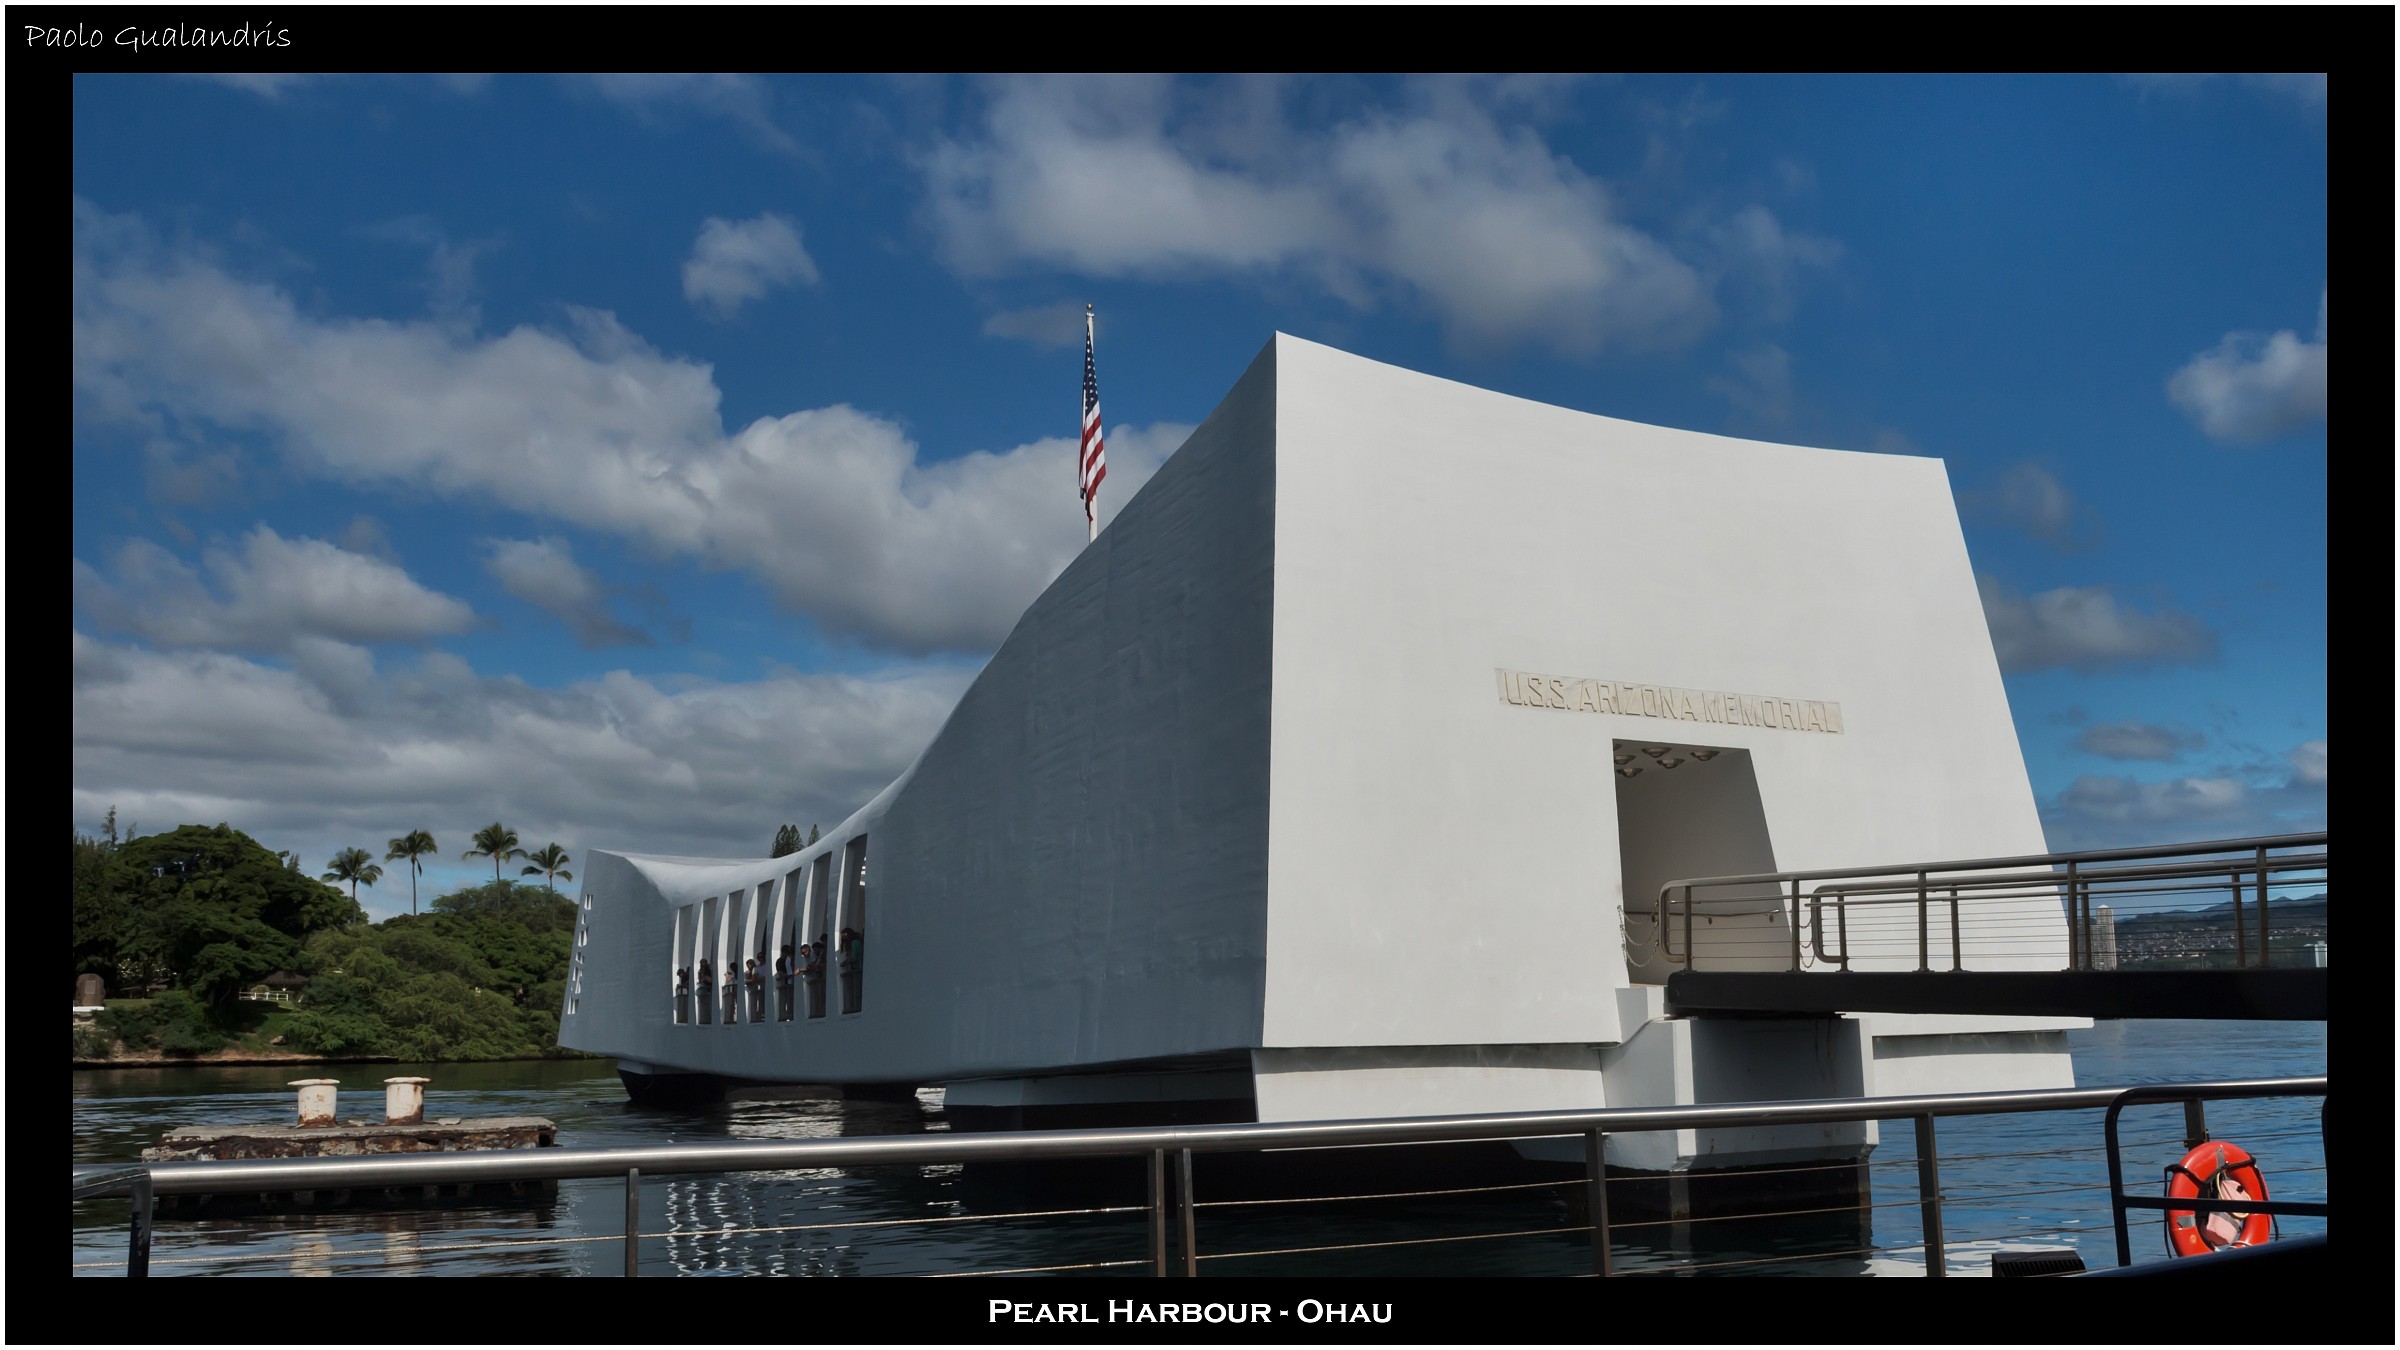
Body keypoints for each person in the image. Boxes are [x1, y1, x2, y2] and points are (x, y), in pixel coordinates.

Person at [775, 944, 796, 1021]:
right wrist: (789, 976)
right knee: (785, 1000)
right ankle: (785, 1015)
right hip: (785, 983)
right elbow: (780, 972)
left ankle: (791, 1014)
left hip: (789, 982)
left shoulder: (790, 960)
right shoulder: (780, 960)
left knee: (791, 999)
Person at [695, 958, 714, 1025]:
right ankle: (703, 1020)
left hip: (707, 990)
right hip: (702, 990)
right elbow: (700, 979)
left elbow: (711, 980)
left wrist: (705, 978)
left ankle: (707, 1020)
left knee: (707, 1007)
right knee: (702, 1007)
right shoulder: (700, 971)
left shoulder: (709, 971)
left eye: (704, 963)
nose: (702, 965)